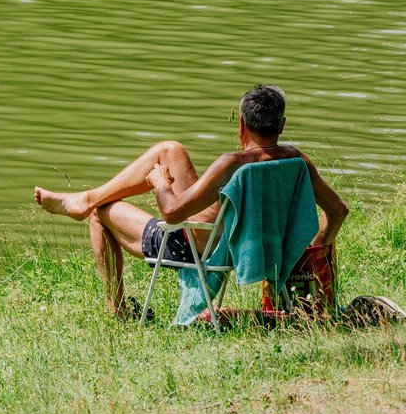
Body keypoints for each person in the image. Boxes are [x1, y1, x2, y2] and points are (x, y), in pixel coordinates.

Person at [34, 84, 350, 318]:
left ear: (241, 123)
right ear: (281, 126)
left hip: (198, 247)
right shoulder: (296, 162)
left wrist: (160, 184)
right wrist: (306, 247)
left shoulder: (232, 164)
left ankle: (116, 307)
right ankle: (87, 198)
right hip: (227, 236)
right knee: (170, 150)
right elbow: (338, 211)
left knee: (99, 214)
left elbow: (171, 214)